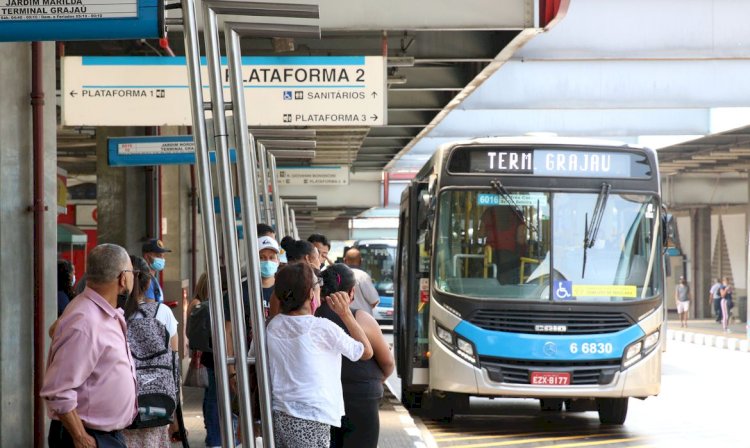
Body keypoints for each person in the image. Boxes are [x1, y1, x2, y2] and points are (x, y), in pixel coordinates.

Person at [267, 263, 373, 447]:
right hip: (312, 416)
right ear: (310, 293)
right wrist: (346, 314)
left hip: (279, 413)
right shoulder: (321, 327)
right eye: (318, 285)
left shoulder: (272, 325)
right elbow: (365, 352)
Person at [42, 243, 137, 448]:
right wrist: (81, 438)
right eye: (132, 272)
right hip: (86, 436)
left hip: (104, 435)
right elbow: (58, 389)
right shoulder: (85, 321)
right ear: (122, 277)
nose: (132, 278)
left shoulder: (104, 313)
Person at [317, 264, 395, 448]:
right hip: (361, 397)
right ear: (352, 292)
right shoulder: (362, 318)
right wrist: (378, 380)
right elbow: (387, 362)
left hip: (322, 399)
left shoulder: (310, 317)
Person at [122, 256, 179, 447]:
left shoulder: (114, 314)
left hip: (121, 406)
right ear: (148, 284)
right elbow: (173, 367)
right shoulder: (163, 312)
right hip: (157, 405)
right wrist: (176, 421)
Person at [479, 205, 527, 284]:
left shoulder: (488, 212)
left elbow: (481, 234)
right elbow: (520, 239)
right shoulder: (517, 214)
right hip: (511, 257)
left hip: (491, 255)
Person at [343, 248, 380, 316]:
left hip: (341, 319)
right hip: (362, 319)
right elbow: (374, 301)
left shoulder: (338, 275)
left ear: (344, 260)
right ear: (361, 261)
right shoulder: (363, 276)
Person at [142, 238, 171, 303]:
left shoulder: (152, 278)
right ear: (146, 256)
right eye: (158, 255)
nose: (162, 259)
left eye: (163, 256)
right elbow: (150, 309)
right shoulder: (146, 280)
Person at [258, 236, 280, 315]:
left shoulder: (286, 290)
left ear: (278, 261)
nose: (267, 261)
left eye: (271, 257)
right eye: (261, 257)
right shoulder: (241, 291)